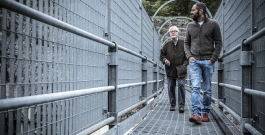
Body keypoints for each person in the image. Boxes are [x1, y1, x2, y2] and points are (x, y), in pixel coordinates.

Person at [184, 2, 223, 124]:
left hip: (208, 61)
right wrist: (189, 56)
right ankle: (196, 114)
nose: (191, 12)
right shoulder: (190, 26)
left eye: (193, 10)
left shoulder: (213, 24)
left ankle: (205, 112)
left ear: (201, 11)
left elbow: (219, 43)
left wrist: (212, 59)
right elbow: (186, 43)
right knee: (195, 87)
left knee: (207, 89)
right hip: (194, 61)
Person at [160, 26, 188, 113]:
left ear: (178, 33)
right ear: (169, 34)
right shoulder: (167, 45)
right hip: (170, 69)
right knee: (171, 86)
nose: (173, 33)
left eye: (175, 31)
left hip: (181, 69)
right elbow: (161, 55)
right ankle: (172, 104)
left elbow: (188, 56)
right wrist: (165, 60)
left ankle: (181, 105)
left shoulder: (184, 43)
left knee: (181, 85)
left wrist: (184, 64)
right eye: (171, 31)